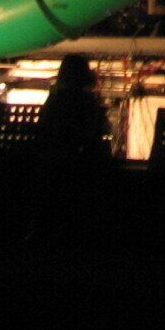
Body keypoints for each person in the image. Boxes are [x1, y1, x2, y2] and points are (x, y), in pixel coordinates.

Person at [29, 54, 109, 246]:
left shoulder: (55, 100)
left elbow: (43, 130)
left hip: (53, 165)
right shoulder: (87, 101)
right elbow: (92, 134)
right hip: (79, 168)